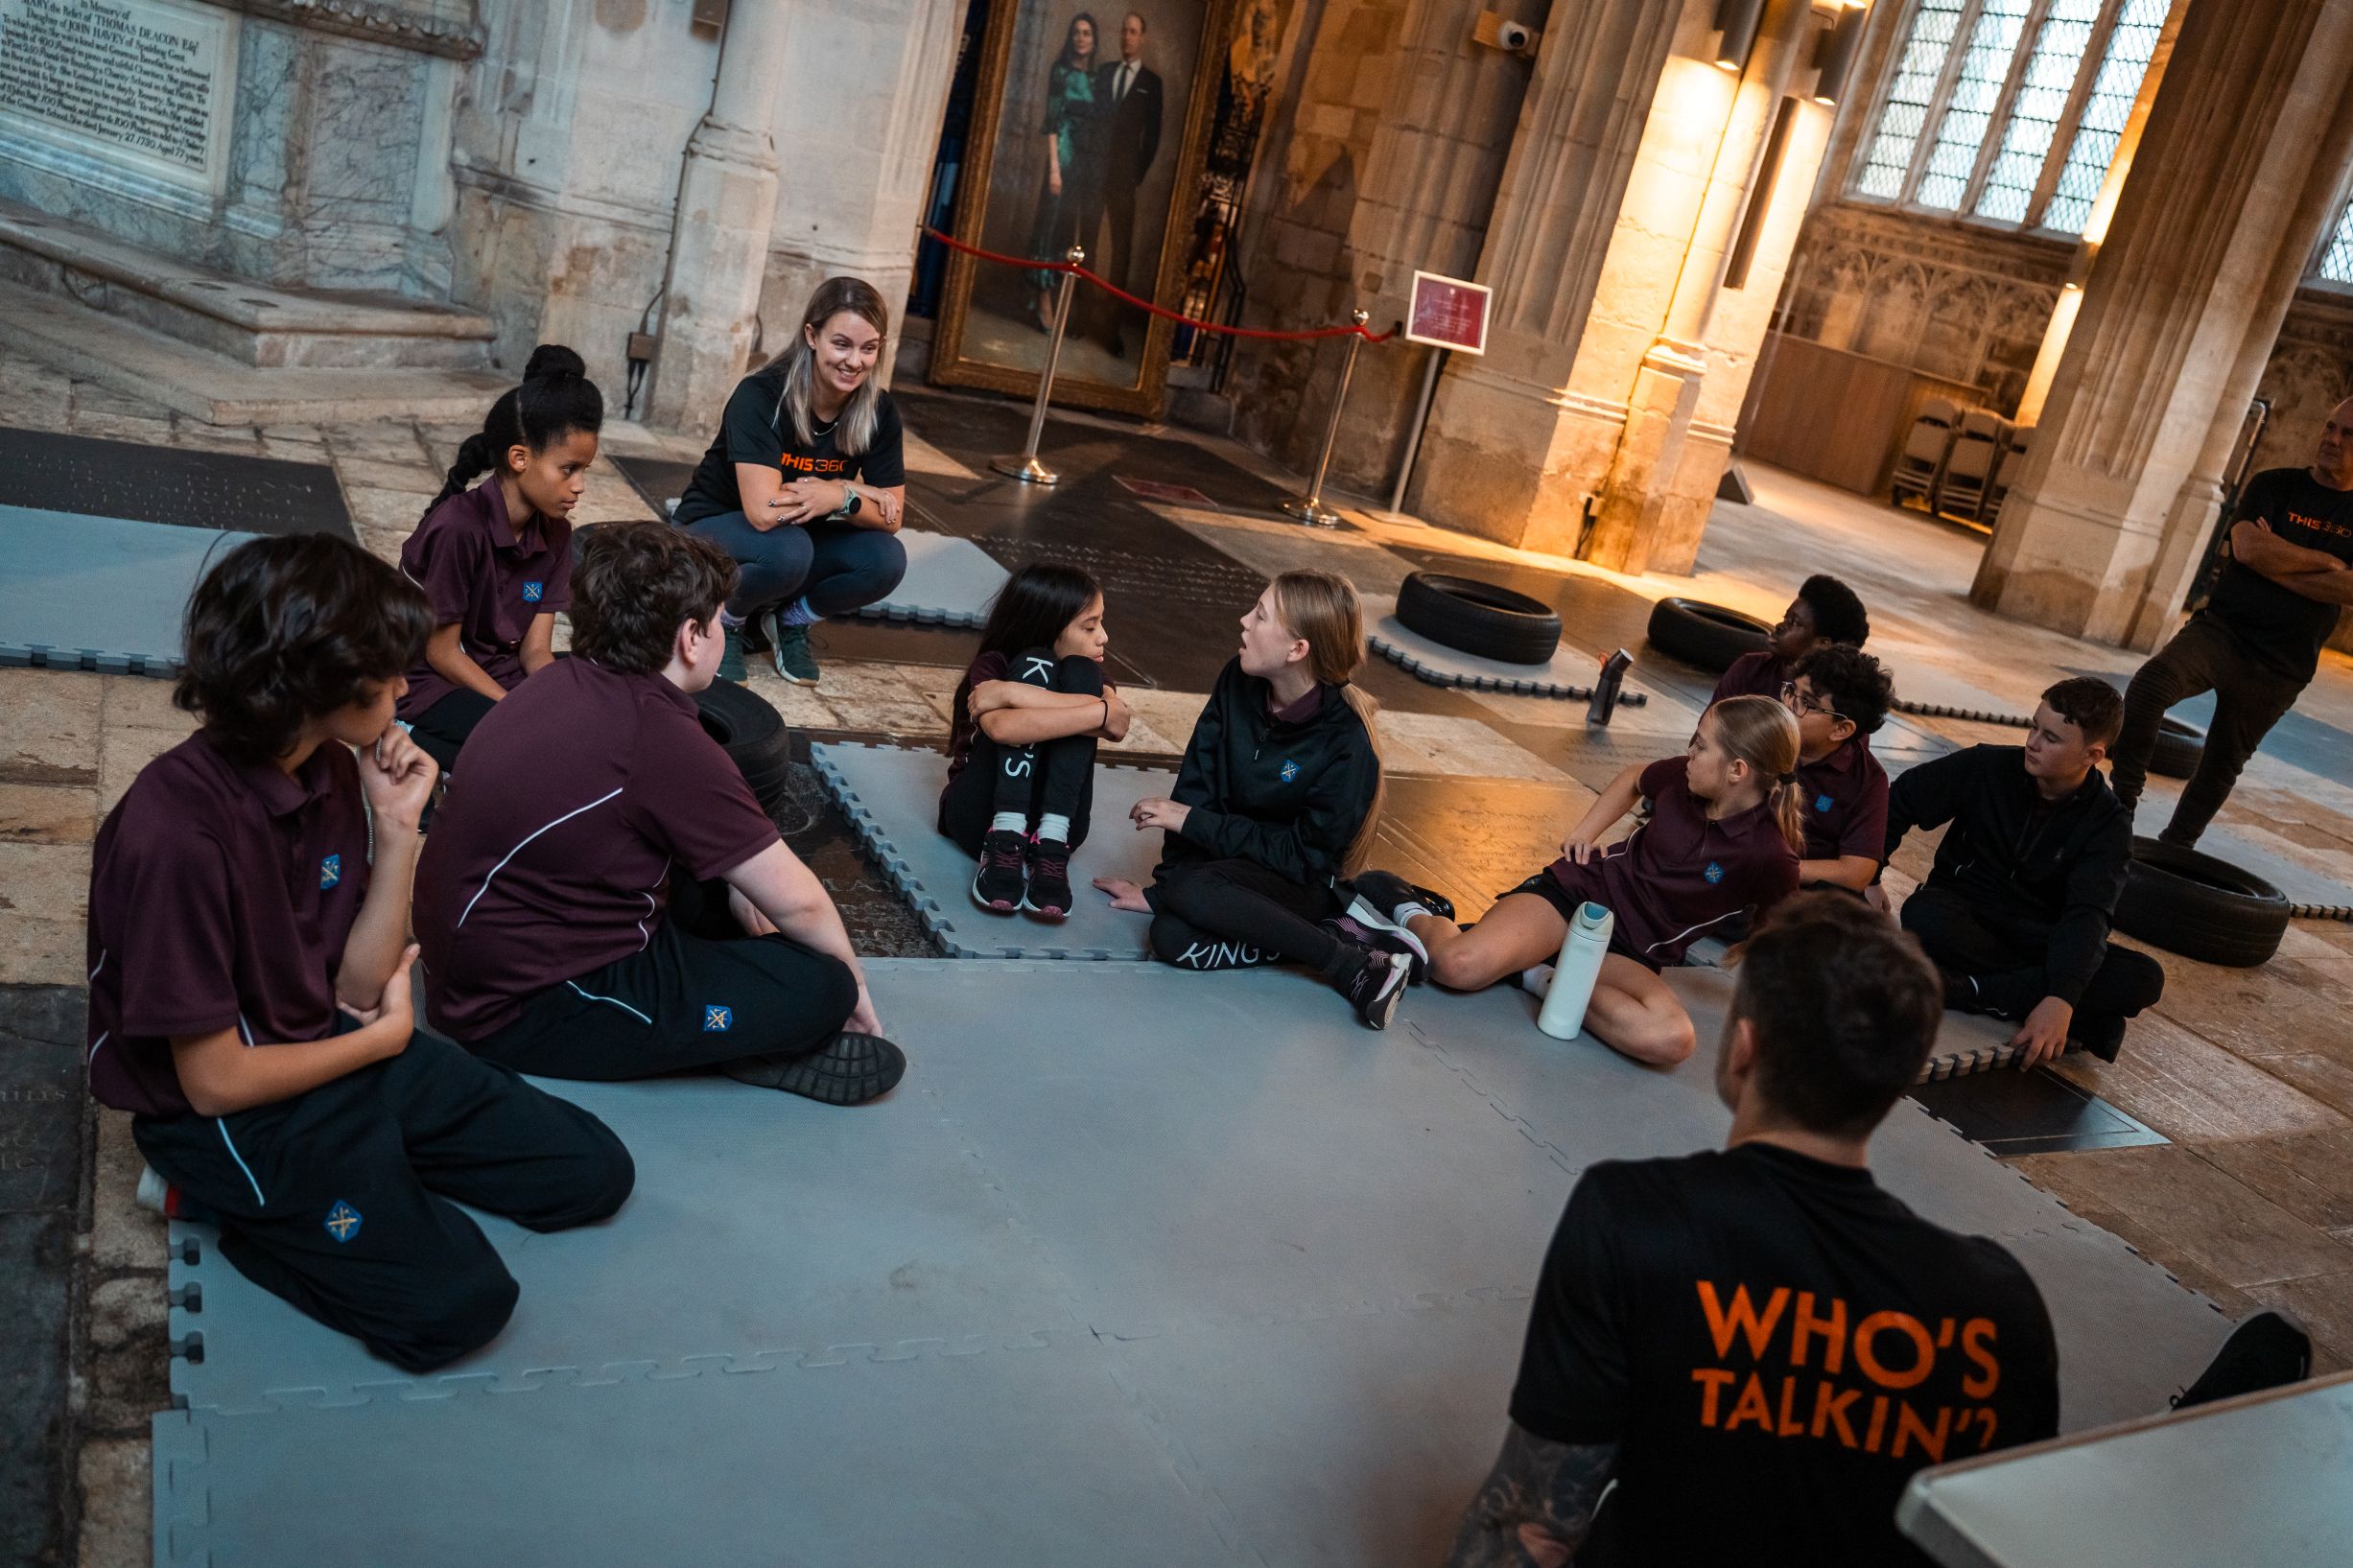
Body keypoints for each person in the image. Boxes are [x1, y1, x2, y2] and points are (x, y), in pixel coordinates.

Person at [89, 535, 633, 1371]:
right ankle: (214, 1196)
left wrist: (398, 824)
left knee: (591, 1171)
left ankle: (369, 1167)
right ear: (318, 686)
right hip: (229, 1113)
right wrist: (380, 1043)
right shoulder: (176, 835)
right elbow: (212, 1083)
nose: (407, 688)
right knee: (459, 1306)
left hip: (329, 1039)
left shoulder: (329, 766)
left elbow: (357, 981)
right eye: (389, 673)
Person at [1442, 892, 2058, 1568]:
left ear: (1742, 1051)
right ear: (1893, 1083)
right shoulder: (2002, 1309)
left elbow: (1532, 1526)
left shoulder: (1635, 1219)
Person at [412, 523, 905, 1105]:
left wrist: (742, 884)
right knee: (820, 985)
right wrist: (853, 993)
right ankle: (732, 1041)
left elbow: (747, 862)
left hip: (479, 960)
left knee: (730, 884)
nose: (722, 633)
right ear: (691, 637)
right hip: (520, 1007)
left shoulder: (558, 679)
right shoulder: (659, 737)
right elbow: (801, 903)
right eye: (720, 622)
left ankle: (723, 1016)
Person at [1353, 697, 1804, 1067]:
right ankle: (1412, 908)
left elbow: (1781, 935)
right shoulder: (1682, 779)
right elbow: (1634, 777)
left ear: (1737, 771)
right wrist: (1585, 833)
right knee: (1457, 967)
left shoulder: (1769, 855)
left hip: (1630, 953)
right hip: (1579, 897)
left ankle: (1534, 973)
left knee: (1671, 1040)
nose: (1689, 751)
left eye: (1701, 746)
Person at [1092, 572, 1413, 1029]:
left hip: (1297, 881)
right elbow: (1198, 786)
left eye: (1260, 616)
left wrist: (1192, 833)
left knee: (1188, 895)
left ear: (1296, 650)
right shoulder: (1237, 680)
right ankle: (1326, 936)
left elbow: (1300, 858)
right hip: (1228, 868)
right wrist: (1164, 887)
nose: (1244, 621)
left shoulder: (1346, 745)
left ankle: (1352, 964)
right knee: (1171, 936)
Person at [1877, 677, 2163, 1067]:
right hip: (1963, 913)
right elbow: (1900, 800)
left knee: (2143, 977)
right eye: (2033, 727)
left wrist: (2061, 997)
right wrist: (1871, 874)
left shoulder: (2108, 822)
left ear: (2092, 755)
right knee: (1924, 915)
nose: (2032, 742)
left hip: (2037, 936)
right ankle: (2071, 1013)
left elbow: (2088, 913)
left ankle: (1965, 990)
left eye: (2051, 738)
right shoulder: (1987, 766)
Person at [2109, 398, 2353, 847]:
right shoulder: (2274, 485)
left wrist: (2276, 559)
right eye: (2330, 426)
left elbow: (2348, 589)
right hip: (2222, 631)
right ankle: (2118, 809)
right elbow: (2247, 549)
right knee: (2150, 686)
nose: (2332, 439)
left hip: (2283, 662)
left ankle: (2174, 850)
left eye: (2347, 433)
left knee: (2222, 762)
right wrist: (2327, 562)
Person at [672, 277, 909, 688]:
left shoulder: (879, 411)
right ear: (812, 336)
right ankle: (727, 620)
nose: (854, 361)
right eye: (842, 344)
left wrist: (842, 495)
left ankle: (791, 621)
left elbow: (892, 516)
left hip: (795, 534)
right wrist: (849, 489)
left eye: (868, 348)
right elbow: (764, 512)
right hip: (711, 530)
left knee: (886, 560)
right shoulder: (762, 395)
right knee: (789, 549)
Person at [395, 346, 602, 774]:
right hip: (430, 681)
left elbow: (536, 651)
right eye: (569, 469)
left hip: (500, 673)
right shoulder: (459, 528)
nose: (579, 485)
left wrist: (561, 707)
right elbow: (442, 653)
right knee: (524, 749)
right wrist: (517, 711)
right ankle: (406, 736)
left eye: (585, 470)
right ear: (519, 458)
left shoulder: (558, 532)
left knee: (592, 714)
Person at [941, 564, 1129, 920]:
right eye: (1089, 626)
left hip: (1061, 826)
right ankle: (1005, 835)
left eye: (1101, 623)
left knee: (1082, 673)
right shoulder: (994, 664)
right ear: (1047, 626)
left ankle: (1050, 844)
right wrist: (1097, 715)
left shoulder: (1093, 677)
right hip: (978, 817)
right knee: (1034, 664)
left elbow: (1118, 722)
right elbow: (1002, 729)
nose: (1103, 637)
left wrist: (1010, 694)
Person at [1783, 644, 1895, 893]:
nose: (1789, 704)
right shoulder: (1763, 733)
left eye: (1806, 702)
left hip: (1803, 886)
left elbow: (1856, 872)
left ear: (1841, 729)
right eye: (1791, 691)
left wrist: (1777, 869)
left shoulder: (1868, 779)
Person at [1085, 11, 1164, 357]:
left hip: (1123, 179)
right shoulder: (1105, 73)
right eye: (1124, 31)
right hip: (1095, 173)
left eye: (1133, 32)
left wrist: (1135, 174)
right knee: (1086, 242)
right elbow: (1090, 119)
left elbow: (1153, 136)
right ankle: (1080, 317)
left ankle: (1111, 329)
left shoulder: (1151, 83)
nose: (1127, 37)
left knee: (1120, 252)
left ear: (1142, 38)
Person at [1024, 12, 1102, 330]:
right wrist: (1055, 169)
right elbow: (1053, 123)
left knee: (1068, 231)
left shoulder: (1097, 79)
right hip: (1063, 158)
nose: (1080, 38)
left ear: (1094, 41)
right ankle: (1043, 300)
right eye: (1076, 33)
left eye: (1086, 33)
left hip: (1084, 163)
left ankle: (1053, 297)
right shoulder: (1060, 73)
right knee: (1050, 226)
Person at [1711, 573, 1871, 705]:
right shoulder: (1750, 669)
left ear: (1823, 644)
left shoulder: (1839, 702)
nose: (1779, 626)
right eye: (1785, 618)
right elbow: (1709, 728)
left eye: (1794, 622)